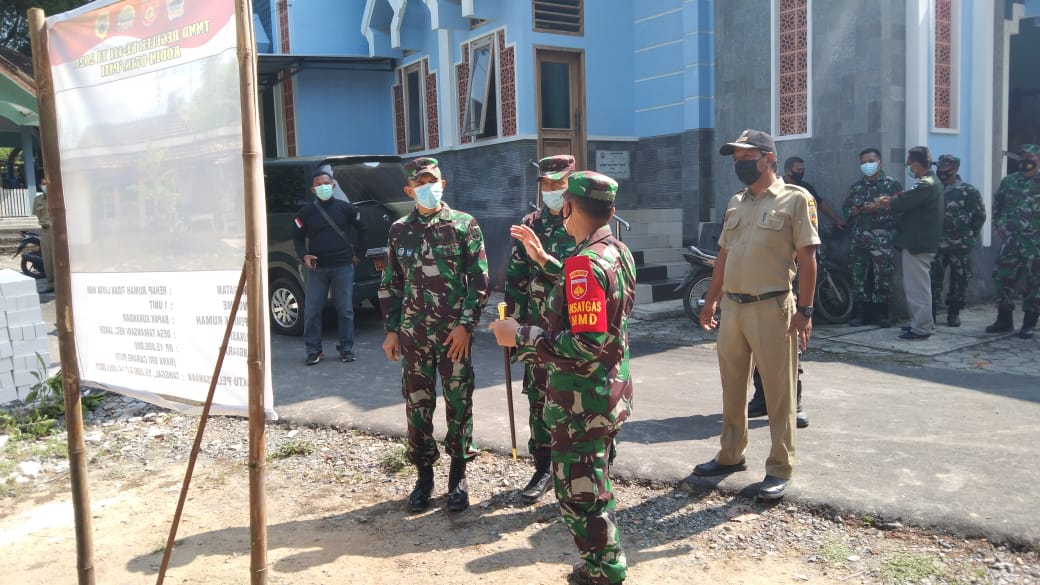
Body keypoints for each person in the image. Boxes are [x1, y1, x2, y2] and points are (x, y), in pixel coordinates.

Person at [490, 171, 635, 585]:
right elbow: (591, 295)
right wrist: (544, 260)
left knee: (580, 496)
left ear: (569, 207)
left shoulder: (585, 264)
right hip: (608, 392)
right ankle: (602, 565)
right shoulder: (616, 250)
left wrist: (520, 335)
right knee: (594, 485)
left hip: (582, 403)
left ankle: (606, 573)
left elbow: (585, 342)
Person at [693, 129, 819, 501]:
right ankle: (731, 454)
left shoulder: (796, 199)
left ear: (769, 158)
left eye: (747, 157)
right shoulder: (736, 202)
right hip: (733, 309)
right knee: (732, 386)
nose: (740, 164)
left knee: (779, 392)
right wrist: (710, 300)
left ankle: (780, 467)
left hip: (772, 307)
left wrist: (806, 310)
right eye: (736, 159)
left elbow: (808, 258)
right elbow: (724, 256)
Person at [379, 157, 490, 513]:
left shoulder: (464, 225)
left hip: (453, 336)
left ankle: (458, 475)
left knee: (459, 403)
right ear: (409, 190)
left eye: (433, 181)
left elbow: (479, 282)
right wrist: (391, 331)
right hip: (413, 336)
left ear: (443, 184)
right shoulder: (399, 230)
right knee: (417, 407)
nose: (428, 187)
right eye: (420, 183)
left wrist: (465, 326)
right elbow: (391, 283)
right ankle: (423, 476)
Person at [503, 154, 577, 505]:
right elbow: (516, 279)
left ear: (571, 184)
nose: (551, 190)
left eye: (557, 184)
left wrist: (545, 261)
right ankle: (544, 467)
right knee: (538, 398)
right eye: (546, 184)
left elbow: (582, 277)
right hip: (535, 329)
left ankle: (583, 468)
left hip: (575, 330)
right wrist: (513, 325)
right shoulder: (530, 225)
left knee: (576, 398)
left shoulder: (583, 223)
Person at [292, 169, 368, 365]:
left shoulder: (346, 208)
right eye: (318, 185)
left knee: (345, 310)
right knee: (312, 310)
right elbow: (297, 238)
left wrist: (359, 255)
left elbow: (363, 230)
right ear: (313, 189)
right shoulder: (306, 213)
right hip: (317, 269)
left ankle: (346, 348)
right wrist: (304, 255)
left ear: (333, 186)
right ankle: (313, 350)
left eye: (326, 183)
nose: (323, 187)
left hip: (343, 266)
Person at [876, 146, 942, 340]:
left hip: (918, 244)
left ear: (916, 164)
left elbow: (901, 203)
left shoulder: (926, 184)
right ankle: (920, 323)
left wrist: (886, 202)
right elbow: (906, 200)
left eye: (909, 163)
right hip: (918, 242)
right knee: (917, 287)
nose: (908, 167)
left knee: (917, 288)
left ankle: (921, 328)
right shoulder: (930, 182)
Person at [842, 148, 902, 327]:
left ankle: (882, 313)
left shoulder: (892, 185)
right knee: (858, 276)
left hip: (882, 240)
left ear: (879, 162)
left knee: (883, 275)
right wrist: (854, 211)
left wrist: (878, 208)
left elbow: (901, 209)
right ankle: (861, 313)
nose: (867, 165)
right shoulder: (856, 187)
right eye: (863, 162)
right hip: (859, 239)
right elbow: (846, 209)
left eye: (870, 161)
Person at [986, 144, 1040, 339]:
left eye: (1031, 157)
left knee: (1035, 283)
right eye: (1024, 157)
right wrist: (999, 224)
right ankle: (1004, 320)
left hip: (1034, 244)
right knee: (1002, 278)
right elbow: (998, 204)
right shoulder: (1009, 181)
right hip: (1010, 242)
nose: (1026, 160)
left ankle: (1029, 323)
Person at [929, 155, 986, 327]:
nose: (941, 171)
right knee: (932, 279)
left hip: (960, 245)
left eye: (945, 168)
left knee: (959, 280)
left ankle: (954, 312)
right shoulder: (931, 188)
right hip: (935, 244)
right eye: (939, 167)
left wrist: (967, 235)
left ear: (955, 169)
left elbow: (979, 216)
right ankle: (930, 312)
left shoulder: (968, 191)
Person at [784, 156, 846, 229]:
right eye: (799, 170)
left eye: (803, 170)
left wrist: (837, 220)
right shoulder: (779, 186)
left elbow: (820, 203)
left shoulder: (805, 187)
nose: (801, 172)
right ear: (788, 171)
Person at [31, 176, 55, 293]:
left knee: (60, 258)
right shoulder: (38, 199)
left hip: (57, 231)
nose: (44, 186)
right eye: (43, 184)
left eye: (46, 184)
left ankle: (62, 284)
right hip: (45, 231)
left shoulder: (57, 197)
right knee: (47, 259)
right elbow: (36, 214)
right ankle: (51, 284)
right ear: (40, 186)